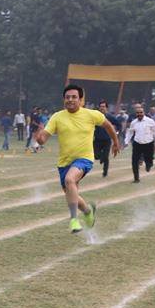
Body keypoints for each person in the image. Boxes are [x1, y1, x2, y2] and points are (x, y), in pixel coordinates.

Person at [35, 84, 120, 233]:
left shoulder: (92, 114)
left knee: (70, 180)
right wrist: (39, 136)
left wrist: (116, 142)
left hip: (84, 159)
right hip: (64, 163)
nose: (70, 100)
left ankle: (74, 220)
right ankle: (88, 211)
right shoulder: (57, 117)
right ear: (64, 100)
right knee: (71, 192)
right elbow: (43, 139)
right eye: (67, 97)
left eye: (74, 97)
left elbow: (108, 126)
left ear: (80, 100)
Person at [124, 106, 155, 182]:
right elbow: (130, 132)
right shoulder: (133, 122)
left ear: (144, 113)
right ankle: (136, 179)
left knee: (149, 160)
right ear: (136, 114)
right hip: (137, 144)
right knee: (134, 162)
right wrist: (126, 141)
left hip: (149, 144)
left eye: (141, 112)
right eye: (138, 113)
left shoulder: (150, 121)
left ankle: (148, 165)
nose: (139, 114)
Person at [94, 100, 121, 177]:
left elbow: (119, 125)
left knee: (106, 157)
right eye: (101, 106)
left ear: (106, 108)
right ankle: (101, 158)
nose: (102, 108)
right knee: (96, 156)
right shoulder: (95, 116)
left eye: (103, 106)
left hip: (107, 140)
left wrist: (116, 133)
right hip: (97, 139)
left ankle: (105, 172)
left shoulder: (110, 117)